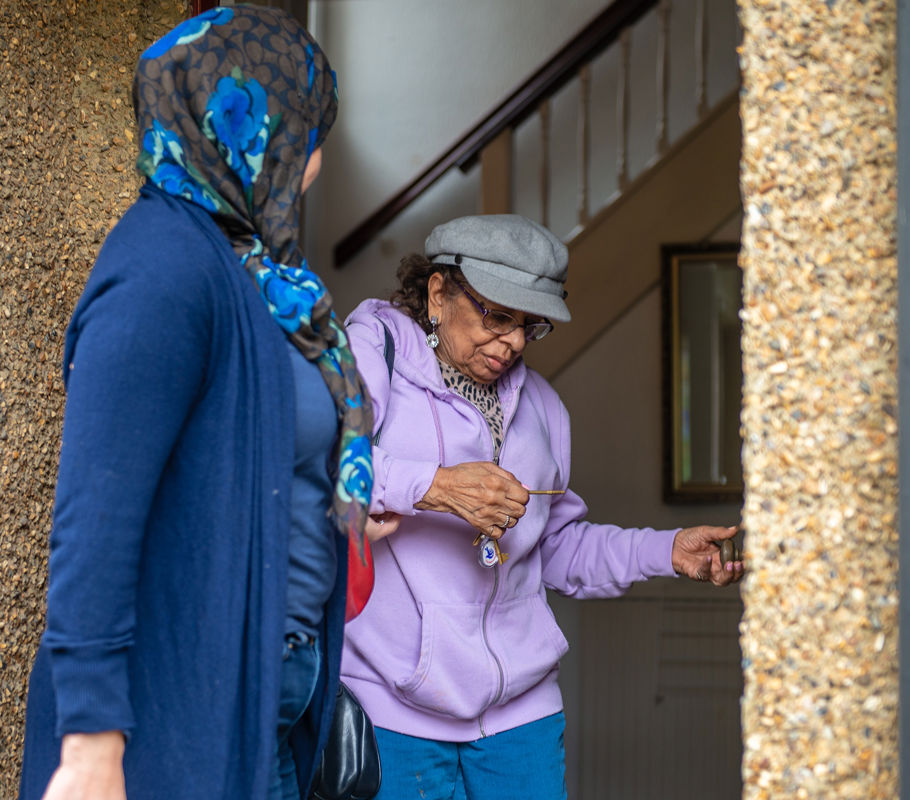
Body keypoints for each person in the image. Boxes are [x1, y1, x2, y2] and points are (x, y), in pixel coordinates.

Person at [18, 7, 385, 800]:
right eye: (307, 128)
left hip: (267, 691)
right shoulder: (163, 270)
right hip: (178, 716)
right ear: (243, 127)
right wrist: (90, 745)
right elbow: (95, 521)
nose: (314, 160)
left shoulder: (254, 272)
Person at [342, 214, 745, 800]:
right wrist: (436, 486)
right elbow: (318, 468)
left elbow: (555, 547)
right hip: (392, 711)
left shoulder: (544, 410)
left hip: (520, 720)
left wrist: (667, 550)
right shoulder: (370, 359)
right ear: (437, 292)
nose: (512, 342)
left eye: (530, 325)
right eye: (496, 315)